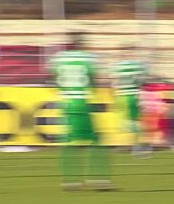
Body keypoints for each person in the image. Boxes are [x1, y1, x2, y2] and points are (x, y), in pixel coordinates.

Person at [50, 32, 113, 191]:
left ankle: (69, 181)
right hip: (82, 102)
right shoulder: (89, 58)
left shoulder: (60, 58)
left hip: (67, 103)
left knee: (69, 141)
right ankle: (99, 180)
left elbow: (53, 76)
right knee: (96, 141)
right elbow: (93, 79)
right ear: (82, 44)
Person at [110, 58, 152, 157]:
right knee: (136, 123)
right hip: (132, 96)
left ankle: (136, 147)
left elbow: (113, 84)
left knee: (127, 121)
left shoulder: (118, 66)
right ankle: (138, 149)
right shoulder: (138, 67)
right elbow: (142, 82)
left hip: (121, 97)